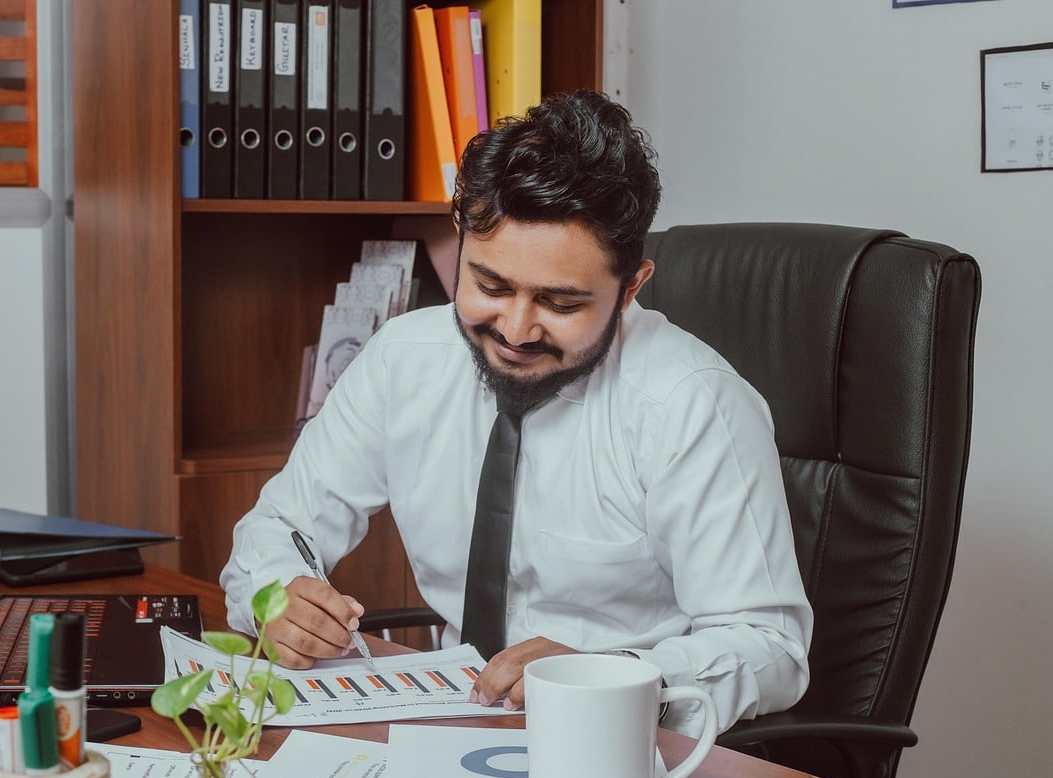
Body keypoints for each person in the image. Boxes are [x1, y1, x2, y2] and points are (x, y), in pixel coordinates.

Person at [220, 90, 812, 737]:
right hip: (448, 721)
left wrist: (613, 675)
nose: (516, 329)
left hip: (631, 748)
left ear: (632, 286)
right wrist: (277, 596)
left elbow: (771, 647)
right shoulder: (404, 358)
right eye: (492, 286)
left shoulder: (692, 405)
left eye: (559, 302)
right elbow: (278, 524)